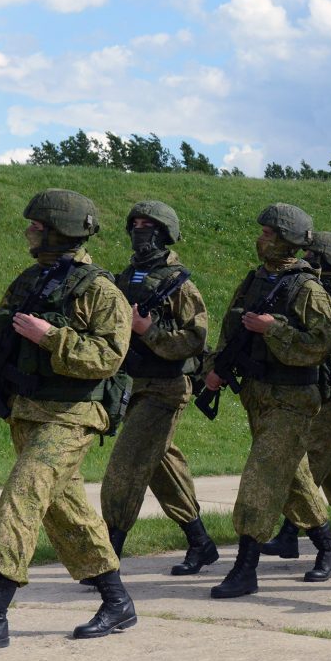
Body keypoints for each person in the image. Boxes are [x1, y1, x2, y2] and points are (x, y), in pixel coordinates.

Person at [0, 189, 136, 650]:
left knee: (23, 495)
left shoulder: (100, 291)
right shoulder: (31, 281)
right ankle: (118, 602)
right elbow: (6, 350)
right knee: (65, 510)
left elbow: (109, 357)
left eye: (37, 224)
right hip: (28, 412)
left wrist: (53, 336)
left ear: (60, 229)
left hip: (73, 416)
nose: (29, 230)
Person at [203, 204, 331, 598]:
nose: (261, 238)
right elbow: (231, 332)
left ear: (287, 240)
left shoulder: (308, 290)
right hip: (258, 395)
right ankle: (329, 547)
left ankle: (245, 569)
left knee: (261, 477)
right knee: (293, 477)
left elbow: (321, 345)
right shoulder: (253, 282)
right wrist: (215, 370)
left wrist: (274, 328)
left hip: (294, 399)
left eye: (268, 233)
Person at [99, 201, 217, 577]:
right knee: (162, 465)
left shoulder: (180, 282)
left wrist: (146, 331)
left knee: (127, 463)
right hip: (131, 385)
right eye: (134, 224)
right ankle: (201, 543)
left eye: (147, 225)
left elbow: (195, 340)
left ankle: (107, 553)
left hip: (166, 387)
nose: (139, 230)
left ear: (164, 232)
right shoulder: (125, 276)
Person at [260, 231, 331, 564]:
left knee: (308, 464)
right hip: (315, 390)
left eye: (311, 256)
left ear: (325, 261)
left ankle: (288, 535)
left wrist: (329, 347)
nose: (304, 260)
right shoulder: (307, 290)